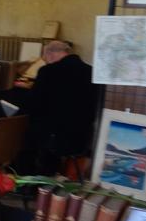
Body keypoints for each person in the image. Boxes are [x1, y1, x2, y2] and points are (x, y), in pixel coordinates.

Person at [21, 40, 98, 175]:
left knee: (23, 134)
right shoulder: (91, 71)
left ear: (50, 54)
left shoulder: (48, 71)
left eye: (45, 58)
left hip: (53, 139)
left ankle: (29, 177)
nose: (46, 61)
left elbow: (34, 103)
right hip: (81, 138)